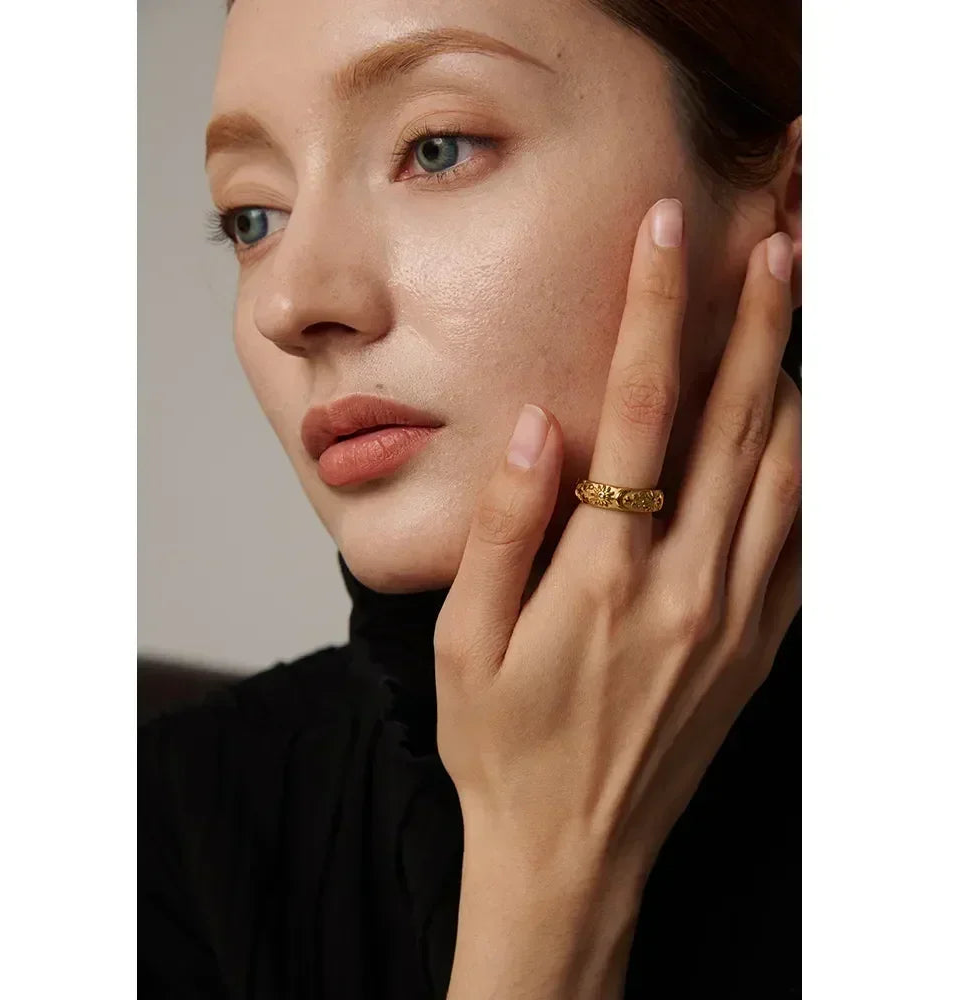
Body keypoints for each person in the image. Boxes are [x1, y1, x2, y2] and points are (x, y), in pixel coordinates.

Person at [139, 0, 802, 996]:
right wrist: (545, 884)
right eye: (253, 218)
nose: (290, 303)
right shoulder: (161, 838)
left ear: (796, 202)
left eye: (437, 148)